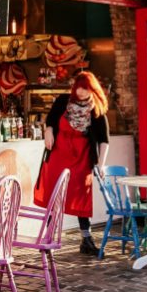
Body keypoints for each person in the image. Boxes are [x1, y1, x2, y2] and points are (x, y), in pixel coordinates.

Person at [35, 70, 110, 256]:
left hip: (82, 157)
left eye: (86, 88)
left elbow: (104, 140)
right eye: (79, 88)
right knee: (54, 195)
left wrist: (101, 164)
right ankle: (48, 238)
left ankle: (86, 239)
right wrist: (49, 131)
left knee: (80, 197)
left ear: (92, 89)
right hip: (59, 155)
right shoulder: (63, 101)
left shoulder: (97, 110)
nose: (82, 92)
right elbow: (51, 119)